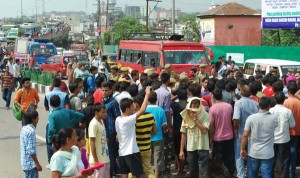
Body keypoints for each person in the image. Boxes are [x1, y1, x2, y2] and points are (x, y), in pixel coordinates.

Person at [115, 86, 151, 178]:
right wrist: (147, 94)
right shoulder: (128, 120)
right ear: (127, 109)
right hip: (132, 152)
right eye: (132, 107)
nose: (134, 108)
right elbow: (142, 110)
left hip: (122, 152)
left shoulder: (118, 119)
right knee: (139, 174)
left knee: (124, 174)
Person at [240, 97, 278, 178]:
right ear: (269, 106)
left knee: (252, 174)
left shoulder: (251, 118)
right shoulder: (274, 118)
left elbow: (245, 135)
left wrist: (242, 148)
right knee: (266, 175)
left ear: (259, 105)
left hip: (254, 152)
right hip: (268, 153)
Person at [47, 95, 85, 163]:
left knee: (58, 160)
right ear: (60, 102)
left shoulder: (52, 115)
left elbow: (51, 129)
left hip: (58, 141)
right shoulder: (67, 111)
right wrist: (71, 123)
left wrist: (50, 138)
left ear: (50, 104)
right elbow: (81, 115)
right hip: (69, 139)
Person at [179, 97, 210, 178]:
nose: (195, 108)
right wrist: (181, 150)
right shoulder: (186, 116)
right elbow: (183, 134)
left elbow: (204, 130)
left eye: (197, 106)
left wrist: (196, 120)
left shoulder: (205, 115)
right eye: (194, 106)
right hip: (191, 148)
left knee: (203, 172)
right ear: (190, 106)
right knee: (193, 171)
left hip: (203, 147)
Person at [232, 85, 259, 178]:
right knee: (251, 153)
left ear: (241, 92)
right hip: (253, 131)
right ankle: (250, 173)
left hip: (241, 130)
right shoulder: (255, 103)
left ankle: (241, 175)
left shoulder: (238, 103)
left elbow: (236, 118)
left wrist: (235, 129)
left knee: (239, 153)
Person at [209, 88, 235, 177]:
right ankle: (230, 174)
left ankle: (220, 175)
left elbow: (211, 125)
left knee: (219, 159)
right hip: (229, 136)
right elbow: (232, 120)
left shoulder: (212, 109)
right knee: (230, 157)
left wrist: (211, 138)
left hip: (218, 137)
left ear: (213, 97)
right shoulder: (229, 106)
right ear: (222, 95)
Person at [269, 92, 295, 178]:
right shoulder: (288, 111)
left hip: (272, 139)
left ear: (275, 100)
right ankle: (285, 176)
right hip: (284, 139)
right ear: (284, 100)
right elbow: (292, 125)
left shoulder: (270, 110)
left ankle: (271, 176)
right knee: (285, 161)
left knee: (272, 160)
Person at [133, 95, 156, 178]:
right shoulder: (151, 116)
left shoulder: (135, 118)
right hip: (147, 147)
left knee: (133, 170)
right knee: (148, 168)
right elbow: (154, 131)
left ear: (136, 105)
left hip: (137, 148)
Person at [101, 81, 121, 176]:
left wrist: (117, 133)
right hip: (104, 131)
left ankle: (111, 172)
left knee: (111, 153)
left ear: (111, 90)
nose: (104, 92)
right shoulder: (103, 101)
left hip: (111, 131)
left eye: (106, 90)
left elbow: (118, 117)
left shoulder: (113, 102)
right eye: (103, 90)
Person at [146, 91, 167, 178]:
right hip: (158, 137)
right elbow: (164, 125)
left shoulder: (144, 110)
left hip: (146, 138)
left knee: (148, 159)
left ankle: (149, 175)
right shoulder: (160, 110)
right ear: (156, 99)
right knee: (157, 159)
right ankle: (156, 175)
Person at [283, 81, 300, 178]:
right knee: (293, 151)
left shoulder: (286, 102)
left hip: (287, 131)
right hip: (297, 130)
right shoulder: (298, 102)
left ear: (288, 90)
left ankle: (287, 172)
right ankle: (292, 172)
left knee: (287, 153)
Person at [89, 104, 110, 178]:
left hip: (105, 158)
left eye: (105, 112)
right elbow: (92, 143)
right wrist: (96, 161)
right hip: (98, 160)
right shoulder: (93, 124)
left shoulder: (101, 121)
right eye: (103, 112)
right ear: (96, 113)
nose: (105, 114)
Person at [20, 111, 42, 178]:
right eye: (37, 117)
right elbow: (31, 151)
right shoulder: (31, 131)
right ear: (33, 119)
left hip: (24, 163)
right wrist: (37, 164)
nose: (38, 119)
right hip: (30, 165)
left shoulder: (24, 129)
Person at [170, 89, 187, 176]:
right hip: (185, 131)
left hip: (176, 130)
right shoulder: (188, 105)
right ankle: (181, 169)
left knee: (177, 150)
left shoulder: (174, 104)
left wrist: (175, 97)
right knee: (184, 150)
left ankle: (178, 166)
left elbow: (169, 101)